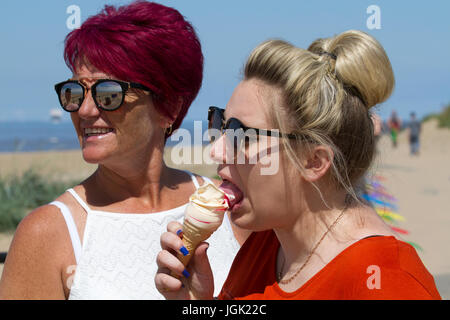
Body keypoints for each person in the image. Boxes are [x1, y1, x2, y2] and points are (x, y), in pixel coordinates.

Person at [155, 30, 441, 300]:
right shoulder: (270, 242)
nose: (217, 150)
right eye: (220, 124)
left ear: (314, 162)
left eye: (241, 135)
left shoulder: (386, 282)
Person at [0, 1, 247, 300]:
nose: (85, 110)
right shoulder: (47, 234)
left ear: (168, 107)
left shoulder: (231, 212)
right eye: (74, 92)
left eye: (109, 94)